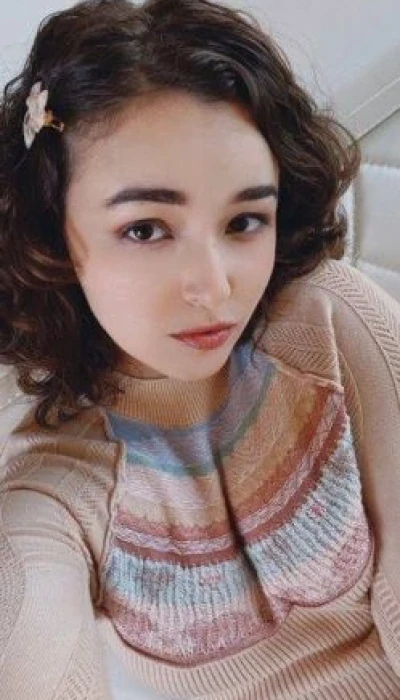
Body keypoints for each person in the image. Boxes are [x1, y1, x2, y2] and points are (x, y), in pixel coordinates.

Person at [0, 0, 399, 698]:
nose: (215, 287)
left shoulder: (324, 316)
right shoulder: (56, 481)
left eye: (245, 221)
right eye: (146, 229)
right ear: (51, 232)